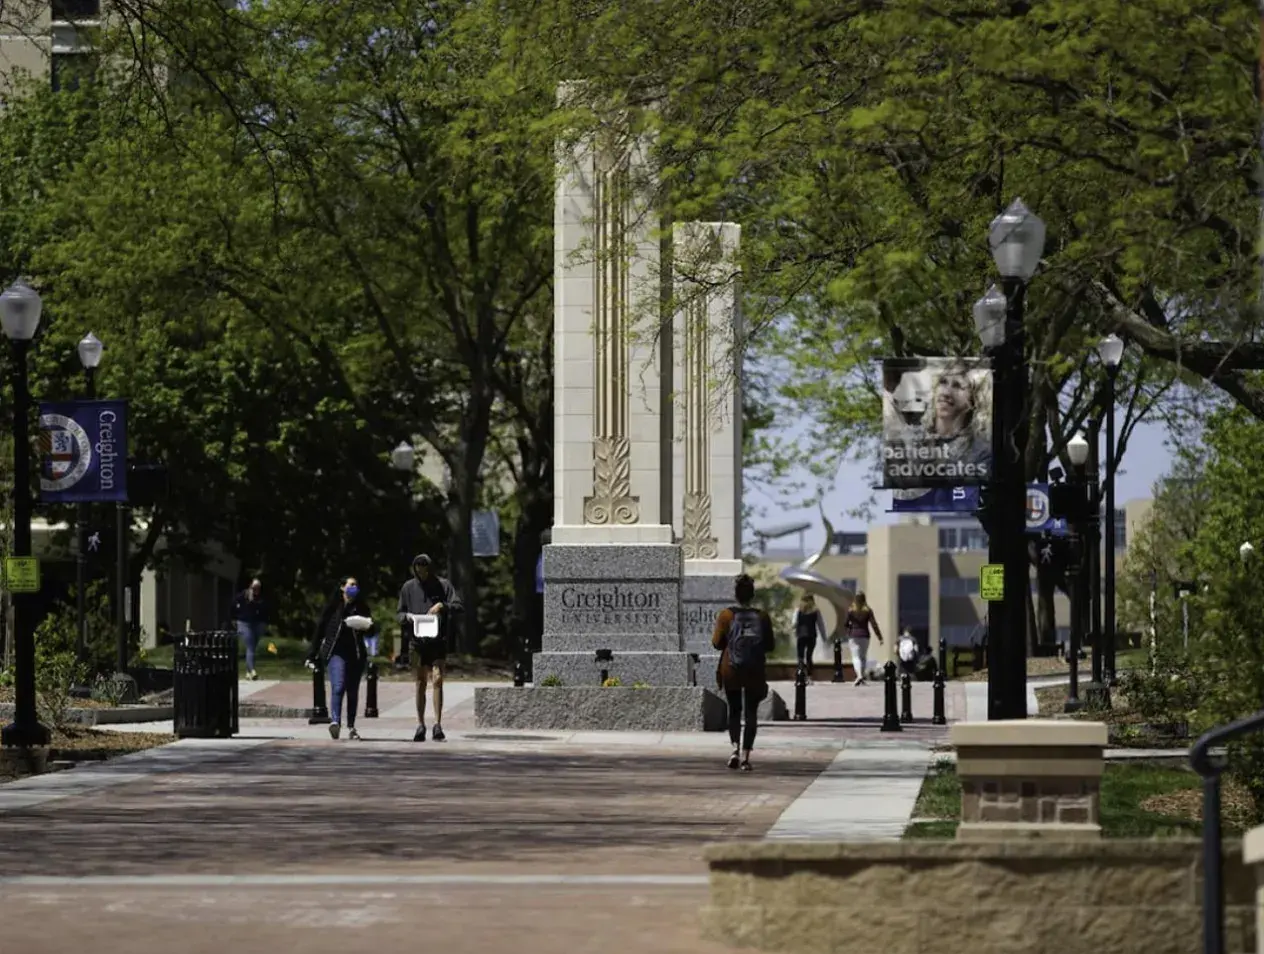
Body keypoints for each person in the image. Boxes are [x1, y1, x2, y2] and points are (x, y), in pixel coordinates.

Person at [711, 574, 776, 772]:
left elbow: (716, 643)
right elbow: (770, 645)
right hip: (754, 670)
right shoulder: (762, 616)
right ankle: (747, 757)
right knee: (751, 713)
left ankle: (734, 750)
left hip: (731, 668)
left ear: (736, 595)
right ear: (752, 595)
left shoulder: (726, 615)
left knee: (734, 710)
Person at [397, 554, 463, 742]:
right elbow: (399, 613)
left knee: (438, 678)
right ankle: (420, 724)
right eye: (418, 566)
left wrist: (442, 606)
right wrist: (408, 618)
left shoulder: (443, 585)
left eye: (424, 566)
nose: (421, 570)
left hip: (438, 639)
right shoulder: (408, 588)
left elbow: (458, 605)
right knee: (420, 682)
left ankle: (437, 723)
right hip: (417, 641)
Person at [307, 576, 376, 741]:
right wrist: (312, 653)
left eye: (356, 585)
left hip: (356, 654)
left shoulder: (361, 607)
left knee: (352, 691)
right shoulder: (333, 607)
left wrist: (367, 626)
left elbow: (371, 630)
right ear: (342, 587)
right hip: (336, 653)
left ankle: (351, 726)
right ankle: (335, 722)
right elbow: (320, 630)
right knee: (338, 686)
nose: (354, 588)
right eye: (351, 585)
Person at [230, 578, 268, 681]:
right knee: (250, 646)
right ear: (250, 587)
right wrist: (234, 619)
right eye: (254, 588)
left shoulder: (260, 598)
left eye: (258, 588)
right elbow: (233, 607)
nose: (256, 590)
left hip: (257, 624)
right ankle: (252, 670)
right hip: (244, 623)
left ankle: (248, 672)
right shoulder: (242, 596)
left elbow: (264, 609)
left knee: (252, 648)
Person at [844, 592, 884, 686]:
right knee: (863, 657)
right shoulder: (868, 610)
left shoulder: (851, 610)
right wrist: (880, 637)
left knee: (855, 657)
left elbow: (845, 623)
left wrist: (849, 631)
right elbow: (874, 624)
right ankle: (861, 676)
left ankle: (859, 676)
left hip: (854, 636)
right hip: (865, 636)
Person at [790, 594, 827, 682]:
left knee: (800, 656)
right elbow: (820, 624)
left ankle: (800, 675)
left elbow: (794, 623)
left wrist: (794, 630)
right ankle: (809, 677)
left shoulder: (798, 610)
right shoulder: (816, 611)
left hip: (801, 635)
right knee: (809, 656)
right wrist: (824, 637)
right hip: (811, 635)